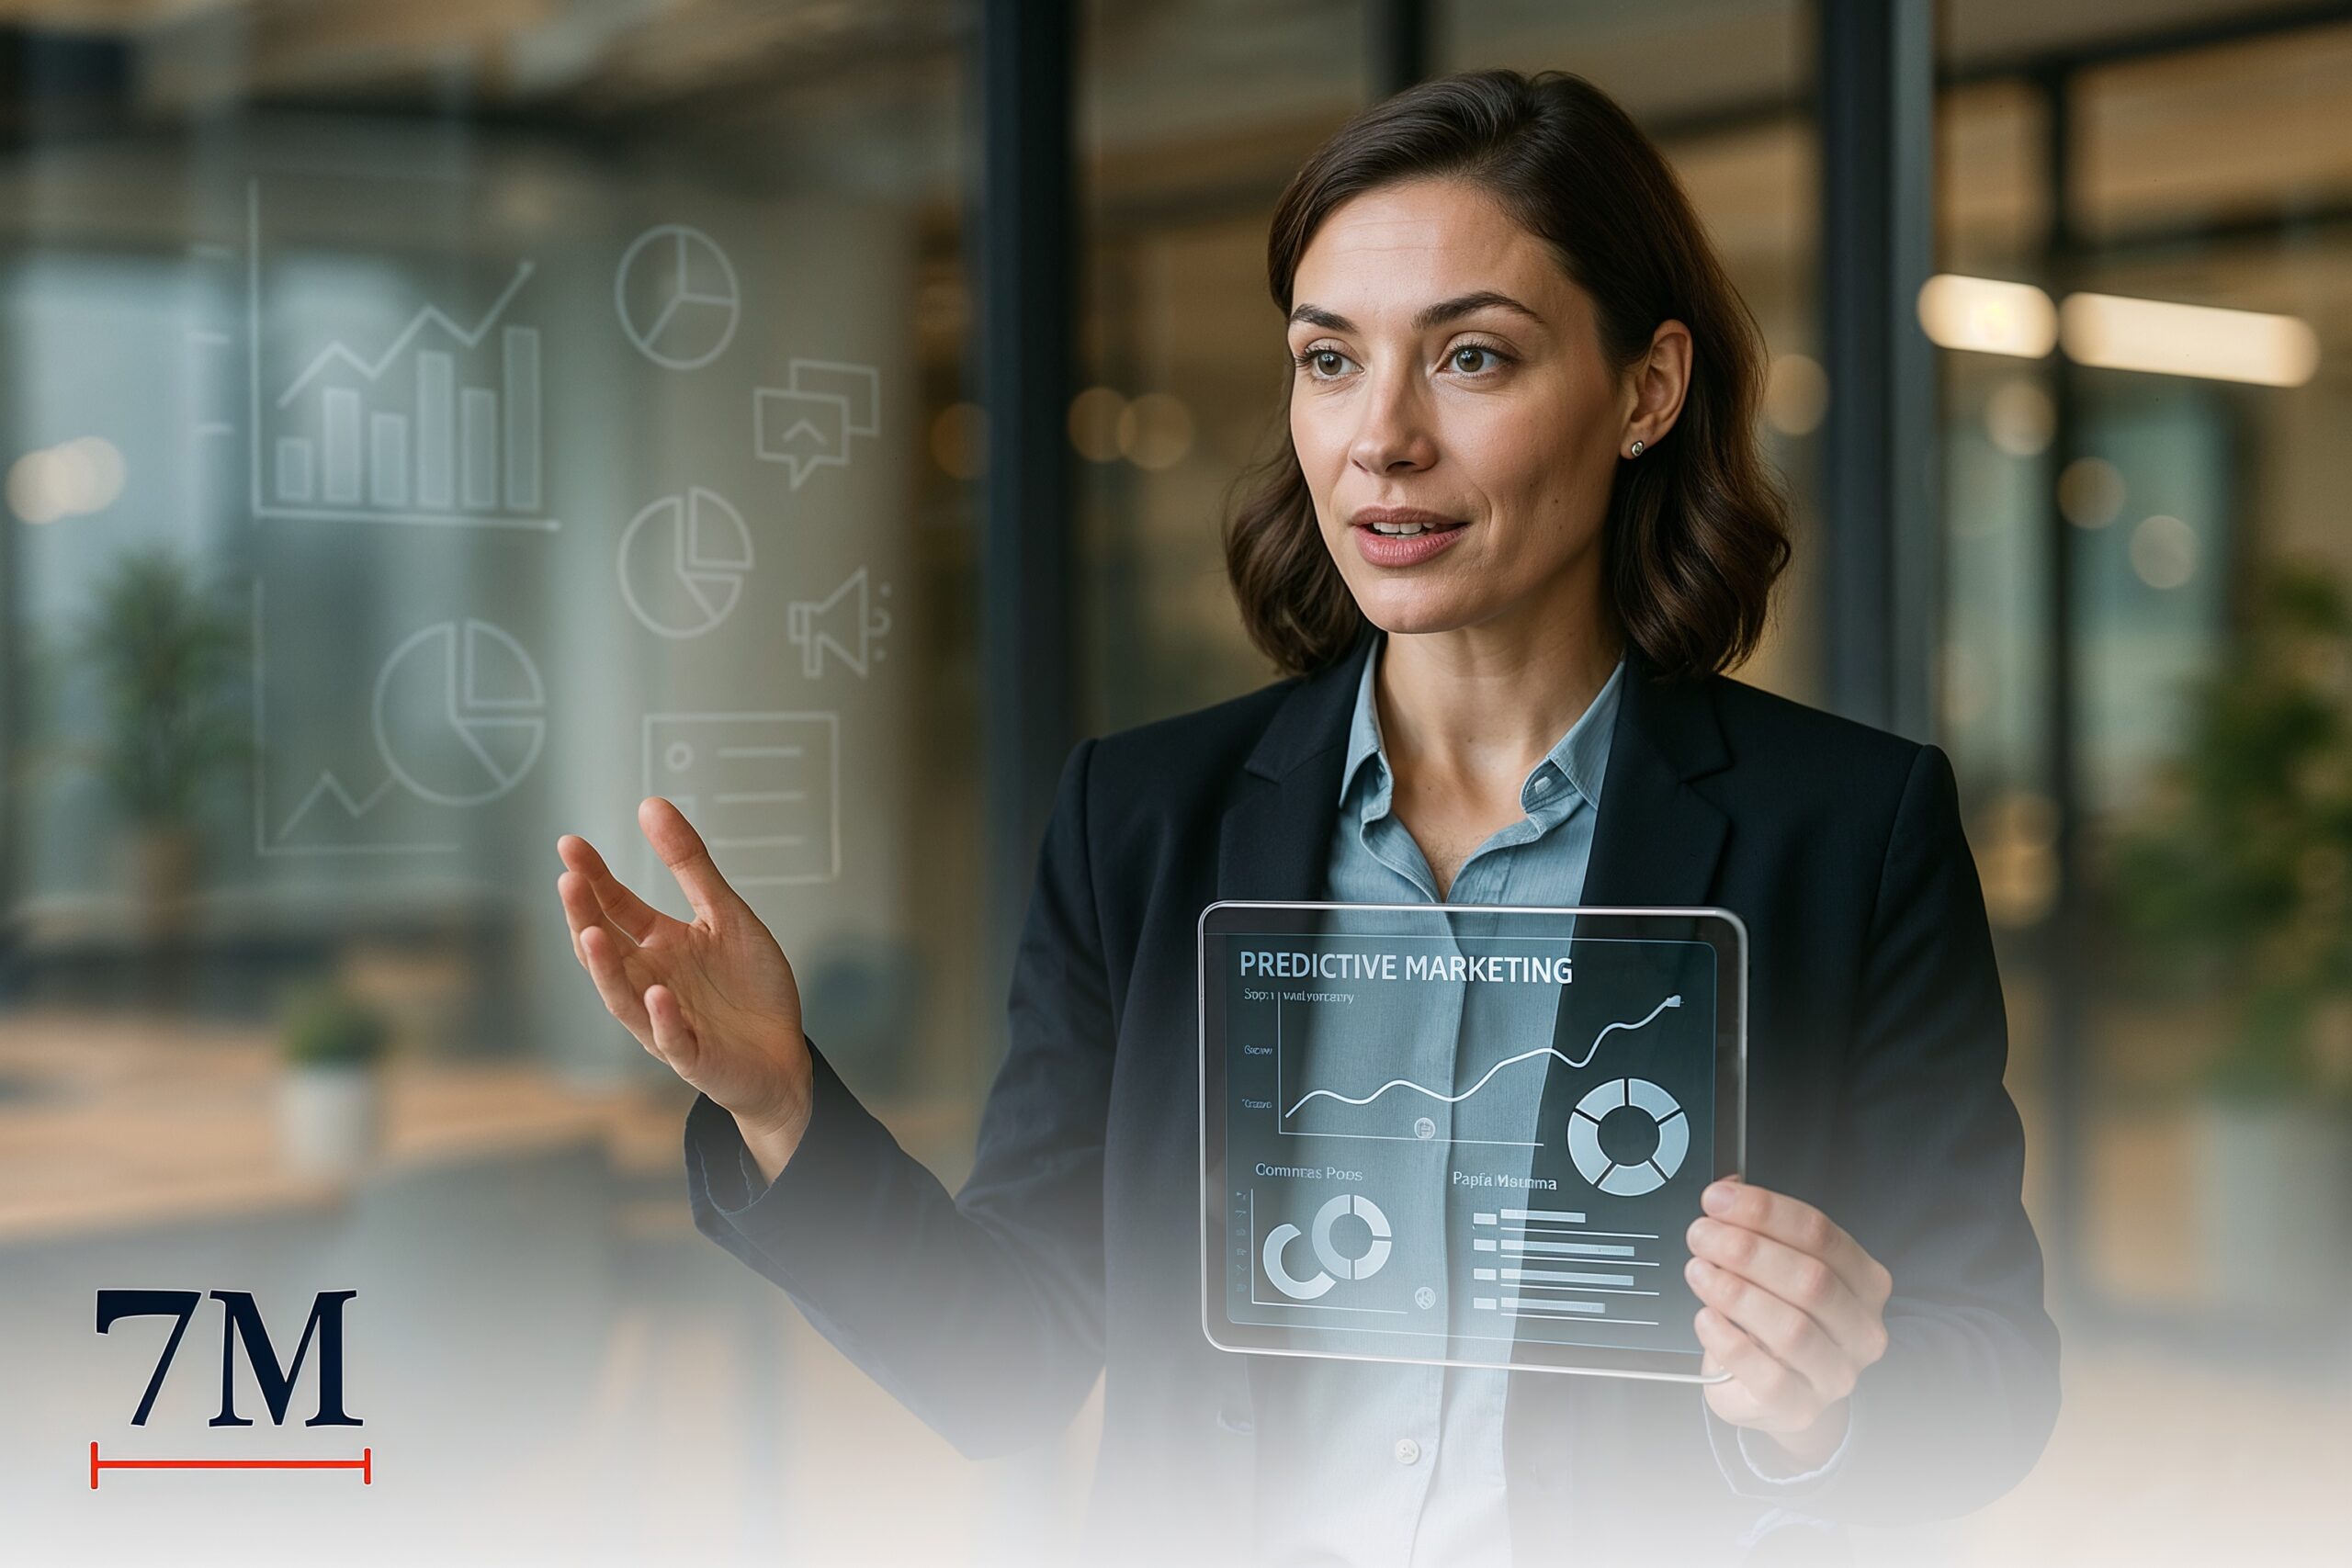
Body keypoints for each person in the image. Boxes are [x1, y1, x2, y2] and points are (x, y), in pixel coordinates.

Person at [555, 68, 2059, 1568]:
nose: (1380, 439)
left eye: (1471, 358)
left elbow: (1994, 1372)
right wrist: (778, 1107)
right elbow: (1006, 1363)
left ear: (1647, 391)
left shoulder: (1847, 836)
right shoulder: (1141, 824)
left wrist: (1829, 1401)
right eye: (1329, 360)